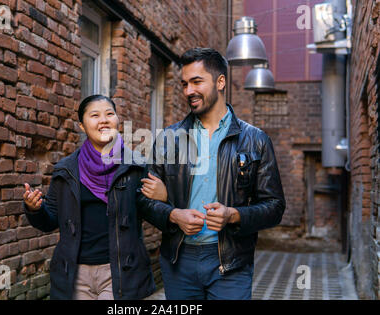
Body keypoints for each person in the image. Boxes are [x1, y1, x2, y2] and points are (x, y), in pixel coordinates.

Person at [138, 48, 286, 300]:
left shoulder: (256, 140)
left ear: (220, 82)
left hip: (231, 263)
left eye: (197, 82)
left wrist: (234, 215)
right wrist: (173, 214)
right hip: (178, 261)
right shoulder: (168, 140)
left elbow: (275, 207)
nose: (188, 91)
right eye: (184, 84)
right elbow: (142, 201)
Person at [23, 94, 168, 300]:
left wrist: (164, 196)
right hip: (75, 273)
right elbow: (51, 220)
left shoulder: (136, 166)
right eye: (95, 115)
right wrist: (34, 209)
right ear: (82, 126)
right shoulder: (66, 170)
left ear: (117, 120)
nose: (104, 120)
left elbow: (156, 214)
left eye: (110, 114)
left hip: (119, 271)